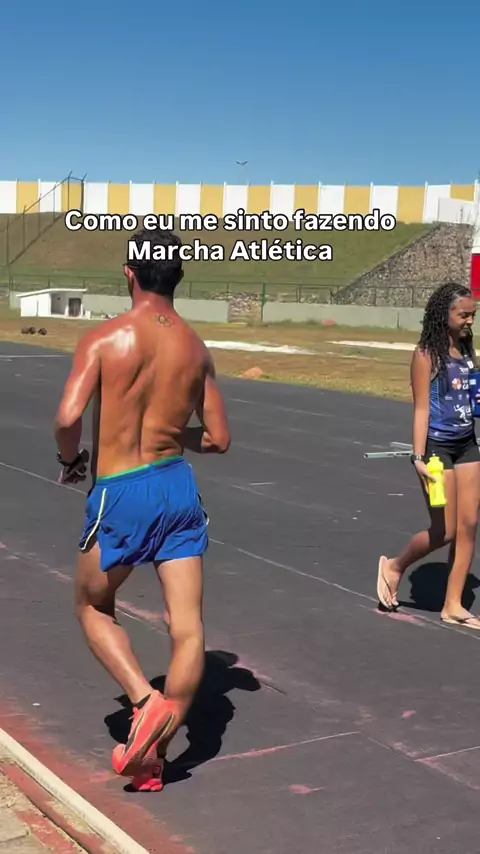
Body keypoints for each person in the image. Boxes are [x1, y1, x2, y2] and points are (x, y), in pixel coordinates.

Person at [53, 227, 231, 791]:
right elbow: (219, 439)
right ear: (178, 275)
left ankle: (145, 701)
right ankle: (156, 757)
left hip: (122, 491)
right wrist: (173, 435)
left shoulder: (105, 338)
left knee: (92, 605)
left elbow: (68, 417)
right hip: (177, 487)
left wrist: (71, 459)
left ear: (129, 273)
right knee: (189, 630)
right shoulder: (196, 348)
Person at [377, 282, 480, 628]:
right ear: (443, 314)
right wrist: (418, 458)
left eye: (473, 315)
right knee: (445, 530)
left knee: (469, 526)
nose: (469, 321)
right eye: (463, 315)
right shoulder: (425, 355)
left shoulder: (466, 348)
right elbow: (422, 408)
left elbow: (469, 394)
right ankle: (395, 566)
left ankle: (453, 605)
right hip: (436, 449)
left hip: (467, 444)